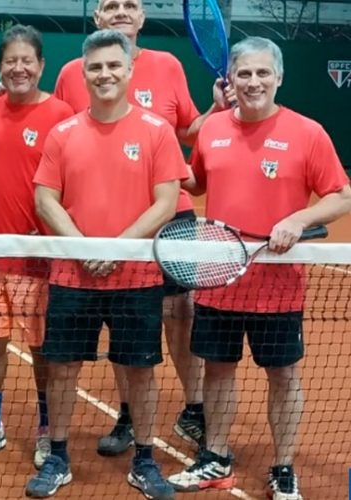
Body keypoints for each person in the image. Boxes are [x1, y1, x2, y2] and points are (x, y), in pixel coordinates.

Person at [167, 36, 351, 500]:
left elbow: (341, 195)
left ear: (279, 77)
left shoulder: (308, 132)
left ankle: (284, 468)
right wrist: (157, 149)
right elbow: (197, 181)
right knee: (217, 370)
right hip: (220, 279)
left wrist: (298, 218)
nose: (253, 82)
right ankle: (215, 457)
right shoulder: (212, 128)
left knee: (283, 376)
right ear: (230, 79)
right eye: (244, 73)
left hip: (278, 288)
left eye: (262, 72)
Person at [51, 0, 233, 457]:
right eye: (110, 5)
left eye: (129, 4)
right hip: (108, 219)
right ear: (97, 17)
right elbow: (60, 126)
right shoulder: (73, 71)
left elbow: (189, 131)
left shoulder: (167, 65)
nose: (120, 11)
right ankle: (130, 415)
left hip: (170, 212)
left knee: (179, 314)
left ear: (142, 17)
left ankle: (194, 408)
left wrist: (216, 109)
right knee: (122, 318)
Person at [25, 29, 184, 499]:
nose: (105, 74)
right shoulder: (63, 133)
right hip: (73, 276)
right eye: (95, 67)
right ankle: (57, 456)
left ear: (130, 70)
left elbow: (166, 202)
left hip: (137, 277)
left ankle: (145, 459)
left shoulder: (157, 130)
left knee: (140, 370)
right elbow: (45, 199)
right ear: (83, 74)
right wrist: (83, 248)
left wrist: (114, 249)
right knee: (62, 367)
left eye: (114, 65)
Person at [0, 24, 74, 468]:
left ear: (41, 66)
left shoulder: (61, 113)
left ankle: (46, 426)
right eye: (11, 61)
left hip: (37, 260)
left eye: (27, 60)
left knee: (41, 348)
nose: (19, 68)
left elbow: (71, 182)